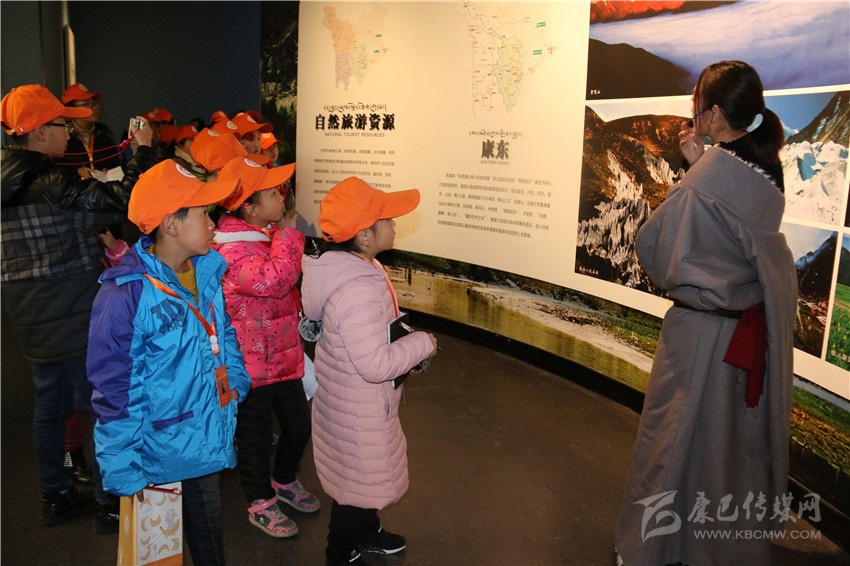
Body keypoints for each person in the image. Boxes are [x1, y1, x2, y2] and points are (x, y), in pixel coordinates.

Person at [614, 61, 797, 566]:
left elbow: (656, 249)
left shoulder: (708, 177)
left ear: (713, 114)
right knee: (723, 449)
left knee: (669, 440)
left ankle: (650, 548)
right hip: (741, 335)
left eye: (698, 105)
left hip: (697, 334)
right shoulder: (769, 169)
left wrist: (694, 170)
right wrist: (700, 164)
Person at [86, 159, 252, 565]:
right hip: (157, 447)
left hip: (203, 432)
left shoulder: (204, 271)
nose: (213, 225)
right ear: (171, 225)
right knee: (160, 544)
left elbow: (224, 333)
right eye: (203, 214)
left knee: (207, 528)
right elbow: (114, 391)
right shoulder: (125, 295)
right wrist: (123, 469)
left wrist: (236, 381)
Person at [301, 176, 438, 566]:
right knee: (355, 487)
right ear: (363, 236)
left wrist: (402, 349)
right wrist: (424, 343)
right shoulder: (357, 290)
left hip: (353, 401)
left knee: (361, 477)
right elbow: (375, 365)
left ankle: (367, 532)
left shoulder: (355, 268)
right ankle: (341, 553)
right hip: (359, 407)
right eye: (387, 219)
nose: (394, 224)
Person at [212, 156, 321, 538]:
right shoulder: (229, 250)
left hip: (284, 358)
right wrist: (289, 236)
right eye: (274, 192)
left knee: (298, 426)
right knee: (255, 438)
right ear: (249, 207)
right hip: (251, 366)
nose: (283, 197)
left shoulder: (264, 235)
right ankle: (259, 501)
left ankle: (284, 480)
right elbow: (276, 280)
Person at [55, 83, 122, 178]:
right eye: (86, 105)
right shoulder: (61, 138)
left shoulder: (104, 136)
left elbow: (117, 166)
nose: (94, 108)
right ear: (71, 110)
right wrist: (76, 172)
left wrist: (110, 173)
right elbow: (52, 172)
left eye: (94, 104)